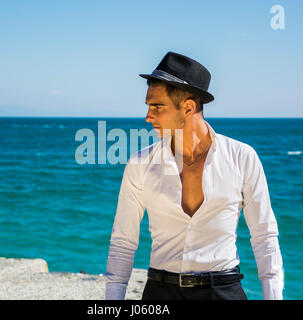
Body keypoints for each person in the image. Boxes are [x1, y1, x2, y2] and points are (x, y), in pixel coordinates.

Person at [104, 51, 284, 300]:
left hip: (223, 291)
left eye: (157, 107)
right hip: (160, 293)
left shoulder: (242, 157)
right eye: (148, 107)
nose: (148, 116)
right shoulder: (140, 163)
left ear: (187, 107)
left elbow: (264, 236)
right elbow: (123, 242)